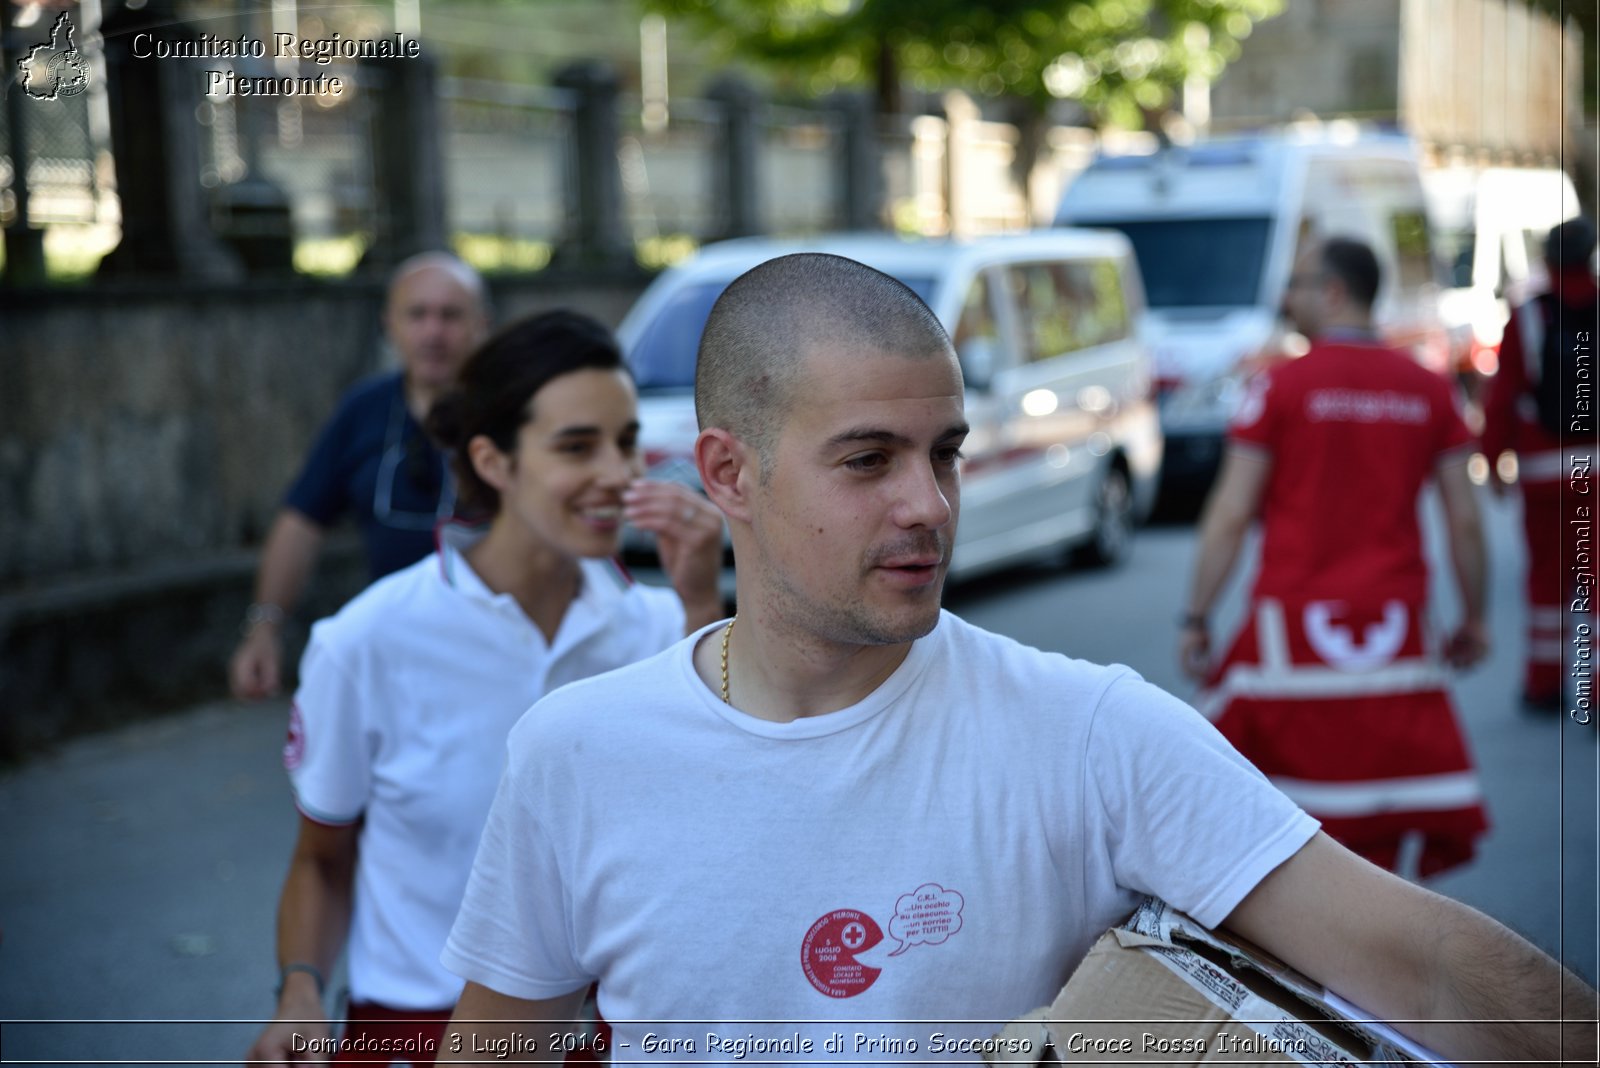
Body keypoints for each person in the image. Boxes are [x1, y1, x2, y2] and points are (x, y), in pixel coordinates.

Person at [437, 253, 1592, 1065]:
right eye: (866, 460)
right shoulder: (578, 752)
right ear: (728, 474)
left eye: (942, 453)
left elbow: (1425, 968)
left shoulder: (1088, 731)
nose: (928, 504)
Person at [244, 310, 725, 1067]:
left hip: (599, 1036)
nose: (618, 472)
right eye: (577, 446)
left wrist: (703, 609)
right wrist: (299, 990)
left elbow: (709, 832)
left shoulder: (662, 627)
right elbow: (322, 858)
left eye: (627, 441)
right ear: (494, 462)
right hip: (415, 1034)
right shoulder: (368, 639)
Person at [1178, 236, 1489, 878]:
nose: (1286, 298)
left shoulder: (1280, 387)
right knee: (1389, 827)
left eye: (1296, 283)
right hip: (1398, 643)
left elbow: (1232, 512)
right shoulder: (1427, 389)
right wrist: (1475, 617)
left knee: (1266, 819)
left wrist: (1197, 617)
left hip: (1289, 644)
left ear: (1334, 290)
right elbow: (1464, 518)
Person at [228, 252, 491, 701]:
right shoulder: (364, 410)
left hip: (491, 649)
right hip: (392, 653)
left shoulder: (511, 414)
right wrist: (264, 629)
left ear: (480, 324)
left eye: (450, 316)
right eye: (418, 315)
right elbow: (302, 521)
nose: (433, 332)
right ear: (390, 323)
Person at [1482, 216, 1599, 711]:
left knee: (1548, 580)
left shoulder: (1526, 316)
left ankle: (1546, 683)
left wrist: (1492, 461)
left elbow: (1501, 397)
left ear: (1549, 261)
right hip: (1597, 471)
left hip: (1543, 473)